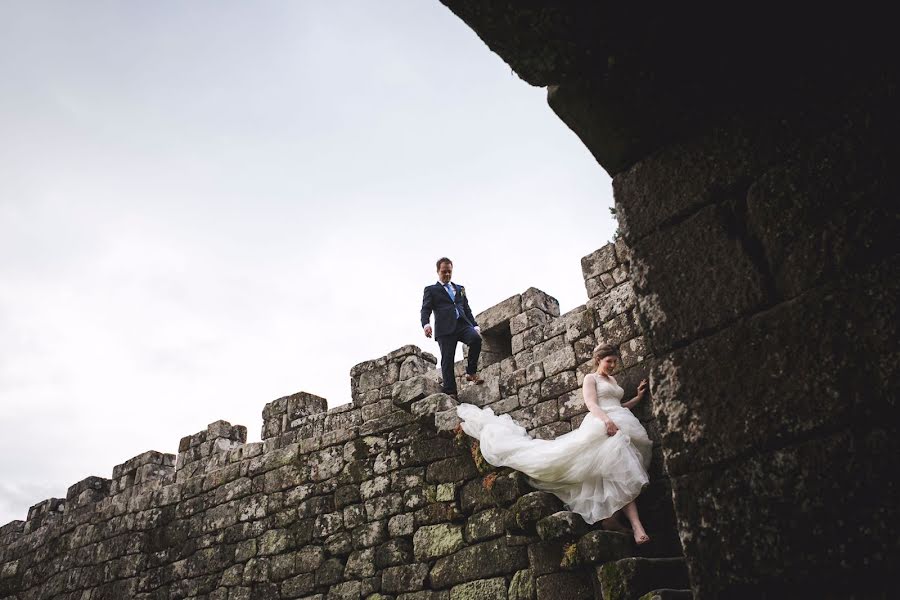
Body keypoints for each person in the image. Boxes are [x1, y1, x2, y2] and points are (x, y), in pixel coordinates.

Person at [456, 343, 653, 544]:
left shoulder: (612, 379)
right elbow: (592, 404)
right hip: (602, 423)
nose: (612, 365)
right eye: (608, 361)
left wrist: (637, 398)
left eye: (614, 361)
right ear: (598, 361)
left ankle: (612, 519)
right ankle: (637, 527)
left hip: (621, 421)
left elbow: (617, 406)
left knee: (616, 472)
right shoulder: (590, 378)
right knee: (621, 468)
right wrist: (607, 421)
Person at [421, 257, 483, 397]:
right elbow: (425, 309)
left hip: (462, 324)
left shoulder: (460, 289)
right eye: (444, 272)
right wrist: (426, 324)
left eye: (449, 271)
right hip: (445, 329)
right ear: (438, 271)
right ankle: (451, 391)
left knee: (476, 340)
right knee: (447, 359)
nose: (447, 274)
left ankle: (471, 372)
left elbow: (466, 309)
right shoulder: (431, 290)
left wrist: (475, 325)